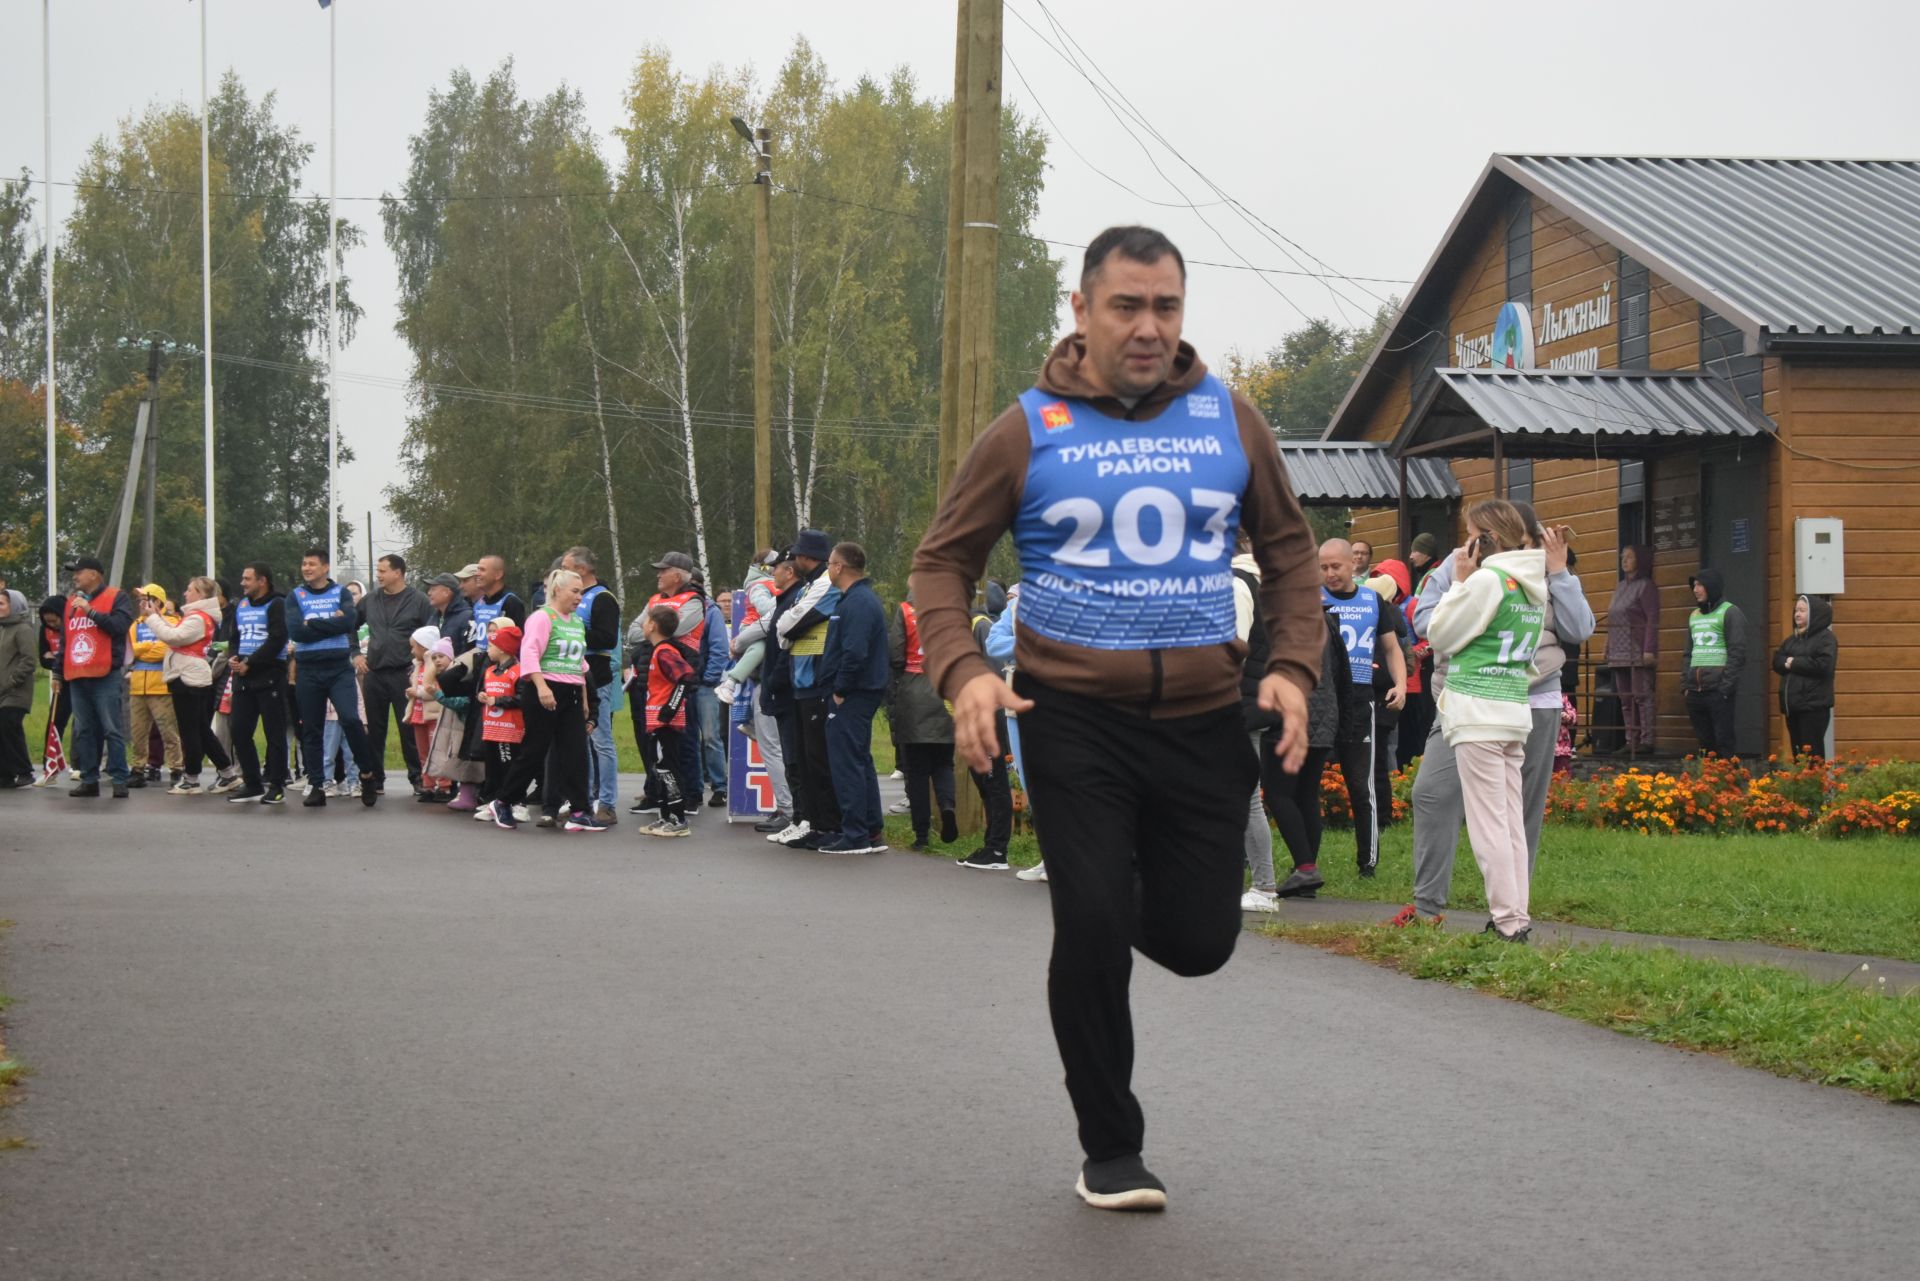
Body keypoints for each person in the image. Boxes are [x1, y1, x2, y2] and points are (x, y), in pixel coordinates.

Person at [910, 225, 1323, 1211]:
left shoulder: (1232, 419)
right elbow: (941, 563)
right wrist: (963, 668)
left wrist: (1296, 668)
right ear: (1081, 309)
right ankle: (1112, 1146)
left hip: (1200, 719)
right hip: (1072, 718)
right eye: (1126, 307)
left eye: (1165, 308)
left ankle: (1112, 888)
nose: (1147, 328)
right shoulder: (1028, 427)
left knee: (1199, 940)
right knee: (1091, 922)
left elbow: (1294, 553)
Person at [1425, 499, 1547, 944]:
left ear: (1485, 540)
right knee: (1510, 820)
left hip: (1477, 710)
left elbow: (1439, 633)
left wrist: (1459, 582)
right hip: (1512, 708)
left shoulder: (1488, 581)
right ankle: (1517, 913)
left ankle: (1508, 921)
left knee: (1488, 825)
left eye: (1469, 534)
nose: (1464, 544)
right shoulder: (1533, 583)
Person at [1319, 538, 1406, 877]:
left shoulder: (1372, 600)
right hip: (1323, 699)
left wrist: (1399, 684)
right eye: (1323, 567)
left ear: (1352, 564)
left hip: (1359, 699)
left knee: (1361, 782)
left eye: (1335, 567)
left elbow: (1392, 648)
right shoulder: (1313, 599)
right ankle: (1306, 862)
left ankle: (1367, 863)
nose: (1329, 574)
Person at [502, 568, 602, 832]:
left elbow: (579, 663)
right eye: (575, 591)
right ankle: (503, 801)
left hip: (570, 690)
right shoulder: (542, 617)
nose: (579, 597)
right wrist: (541, 686)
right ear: (558, 590)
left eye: (581, 592)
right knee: (534, 752)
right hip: (544, 689)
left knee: (576, 753)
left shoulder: (576, 622)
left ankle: (580, 811)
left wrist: (583, 698)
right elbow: (530, 652)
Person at [287, 548, 381, 809]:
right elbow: (296, 631)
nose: (306, 568)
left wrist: (312, 623)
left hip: (338, 667)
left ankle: (366, 774)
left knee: (351, 719)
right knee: (312, 727)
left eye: (312, 564)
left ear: (325, 568)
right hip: (308, 667)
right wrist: (331, 621)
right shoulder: (296, 596)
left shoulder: (340, 593)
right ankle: (317, 785)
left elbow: (349, 623)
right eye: (304, 564)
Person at [816, 542, 889, 855]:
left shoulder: (857, 603)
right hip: (860, 691)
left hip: (854, 693)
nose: (828, 569)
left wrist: (840, 689)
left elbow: (855, 652)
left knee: (846, 762)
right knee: (860, 759)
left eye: (830, 563)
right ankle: (870, 830)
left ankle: (855, 834)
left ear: (839, 567)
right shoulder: (855, 600)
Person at [773, 530, 842, 849]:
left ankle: (828, 824)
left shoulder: (826, 582)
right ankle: (814, 822)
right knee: (804, 757)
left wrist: (789, 626)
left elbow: (788, 626)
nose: (791, 562)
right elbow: (783, 629)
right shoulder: (810, 586)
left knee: (818, 760)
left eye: (795, 556)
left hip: (816, 681)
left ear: (805, 557)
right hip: (802, 681)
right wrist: (788, 626)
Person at [722, 550, 794, 833]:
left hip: (772, 680)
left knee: (773, 748)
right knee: (779, 746)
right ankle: (790, 807)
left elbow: (772, 617)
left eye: (780, 567)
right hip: (776, 677)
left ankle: (788, 809)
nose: (777, 571)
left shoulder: (767, 590)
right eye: (774, 566)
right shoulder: (776, 589)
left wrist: (740, 639)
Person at [144, 576, 235, 794]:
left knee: (190, 731)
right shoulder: (195, 616)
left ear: (202, 595)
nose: (185, 593)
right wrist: (156, 616)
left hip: (189, 678)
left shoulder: (198, 618)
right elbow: (175, 635)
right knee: (201, 729)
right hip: (187, 676)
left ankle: (192, 779)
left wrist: (152, 619)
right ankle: (228, 774)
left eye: (190, 589)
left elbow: (174, 637)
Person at [889, 590, 959, 853]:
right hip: (945, 690)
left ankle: (921, 834)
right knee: (943, 763)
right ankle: (948, 806)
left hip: (913, 692)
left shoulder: (906, 611)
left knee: (916, 770)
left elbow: (895, 653)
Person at [357, 554, 433, 796]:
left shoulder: (419, 600)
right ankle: (375, 779)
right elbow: (349, 625)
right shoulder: (369, 599)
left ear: (398, 573)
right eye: (377, 570)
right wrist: (354, 654)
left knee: (408, 727)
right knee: (374, 730)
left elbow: (432, 632)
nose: (378, 575)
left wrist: (423, 661)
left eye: (382, 570)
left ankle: (417, 778)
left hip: (405, 672)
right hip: (375, 672)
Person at [61, 556, 136, 799]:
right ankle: (89, 779)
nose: (75, 576)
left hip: (105, 672)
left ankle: (118, 778)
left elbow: (119, 626)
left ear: (95, 574)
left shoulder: (116, 597)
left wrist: (91, 611)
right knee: (84, 729)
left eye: (79, 571)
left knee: (111, 728)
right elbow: (66, 639)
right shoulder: (71, 602)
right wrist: (56, 671)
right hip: (77, 673)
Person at [562, 547, 622, 824]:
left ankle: (607, 803)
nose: (561, 572)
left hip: (596, 677)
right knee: (578, 743)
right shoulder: (573, 599)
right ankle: (580, 799)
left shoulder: (602, 598)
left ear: (582, 570)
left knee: (602, 742)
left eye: (566, 566)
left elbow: (608, 639)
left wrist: (574, 632)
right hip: (572, 676)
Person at [224, 563, 291, 803]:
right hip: (243, 676)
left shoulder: (277, 604)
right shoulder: (241, 605)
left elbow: (277, 639)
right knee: (239, 730)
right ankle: (252, 784)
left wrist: (251, 662)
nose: (242, 583)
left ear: (262, 581)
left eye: (247, 579)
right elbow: (235, 637)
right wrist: (234, 656)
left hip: (269, 674)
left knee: (274, 732)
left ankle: (276, 784)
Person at [638, 604, 697, 838]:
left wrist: (670, 709)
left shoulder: (665, 651)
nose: (642, 624)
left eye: (645, 620)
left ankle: (678, 819)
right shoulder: (657, 651)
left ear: (653, 625)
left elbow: (686, 676)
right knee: (659, 768)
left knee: (667, 768)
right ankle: (664, 816)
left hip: (666, 723)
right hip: (656, 722)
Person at [1683, 568, 1747, 759]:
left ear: (1711, 586)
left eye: (1700, 585)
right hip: (1695, 690)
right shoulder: (1694, 615)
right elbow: (1688, 652)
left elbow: (1738, 653)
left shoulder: (1730, 612)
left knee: (1724, 741)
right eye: (1694, 585)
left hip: (1718, 690)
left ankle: (1729, 785)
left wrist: (1725, 688)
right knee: (1704, 744)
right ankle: (1707, 783)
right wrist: (1685, 686)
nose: (1695, 589)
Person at [1605, 545, 1659, 753]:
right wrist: (1607, 645)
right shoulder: (1620, 587)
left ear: (1641, 560)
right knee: (1625, 698)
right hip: (1618, 650)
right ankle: (1631, 741)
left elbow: (1652, 618)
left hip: (1637, 649)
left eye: (1629, 557)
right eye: (1622, 556)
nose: (1624, 560)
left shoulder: (1646, 586)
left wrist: (1649, 649)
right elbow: (1613, 618)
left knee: (1642, 696)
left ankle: (1646, 741)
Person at [476, 622, 529, 828]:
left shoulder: (518, 671)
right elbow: (485, 691)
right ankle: (496, 801)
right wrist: (483, 696)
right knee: (493, 767)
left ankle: (518, 802)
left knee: (510, 766)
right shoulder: (490, 670)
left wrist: (497, 701)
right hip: (492, 727)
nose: (488, 649)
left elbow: (522, 698)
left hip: (510, 729)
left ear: (503, 649)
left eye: (491, 645)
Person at [1774, 595, 1837, 759]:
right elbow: (1777, 661)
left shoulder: (1826, 639)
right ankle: (1802, 784)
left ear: (1814, 614)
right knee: (1799, 758)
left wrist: (1793, 662)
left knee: (1812, 757)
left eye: (1802, 610)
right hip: (1793, 708)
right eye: (1796, 610)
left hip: (1813, 708)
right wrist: (1789, 662)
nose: (1797, 614)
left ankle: (1815, 785)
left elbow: (1823, 666)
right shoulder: (1792, 640)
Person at [694, 579, 731, 808]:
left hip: (705, 684)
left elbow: (719, 648)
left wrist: (709, 678)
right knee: (687, 740)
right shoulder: (676, 606)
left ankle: (720, 786)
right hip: (683, 682)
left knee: (710, 736)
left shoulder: (710, 611)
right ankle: (694, 786)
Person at [404, 626, 449, 802]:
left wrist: (420, 693)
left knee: (436, 751)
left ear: (424, 647)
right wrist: (411, 693)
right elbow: (416, 686)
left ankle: (444, 785)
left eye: (414, 646)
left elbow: (436, 689)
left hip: (433, 714)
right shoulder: (418, 666)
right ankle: (428, 785)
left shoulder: (436, 665)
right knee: (423, 752)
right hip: (418, 713)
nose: (411, 650)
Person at [32, 596, 71, 785]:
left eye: (55, 620)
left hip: (80, 680)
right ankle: (50, 767)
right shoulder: (44, 630)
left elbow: (71, 655)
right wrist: (57, 661)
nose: (52, 624)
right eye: (48, 621)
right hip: (60, 681)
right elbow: (43, 659)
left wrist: (56, 658)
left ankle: (81, 766)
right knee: (54, 723)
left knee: (83, 725)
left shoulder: (73, 627)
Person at [0, 589, 36, 786]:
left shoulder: (22, 629)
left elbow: (29, 660)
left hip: (16, 691)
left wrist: (12, 681)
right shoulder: (2, 628)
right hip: (2, 691)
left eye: (2, 604)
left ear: (14, 606)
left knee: (8, 725)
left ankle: (24, 771)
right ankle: (5, 774)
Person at [427, 573, 475, 658]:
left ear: (446, 592)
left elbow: (467, 651)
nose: (429, 593)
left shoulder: (467, 617)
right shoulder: (434, 617)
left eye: (433, 589)